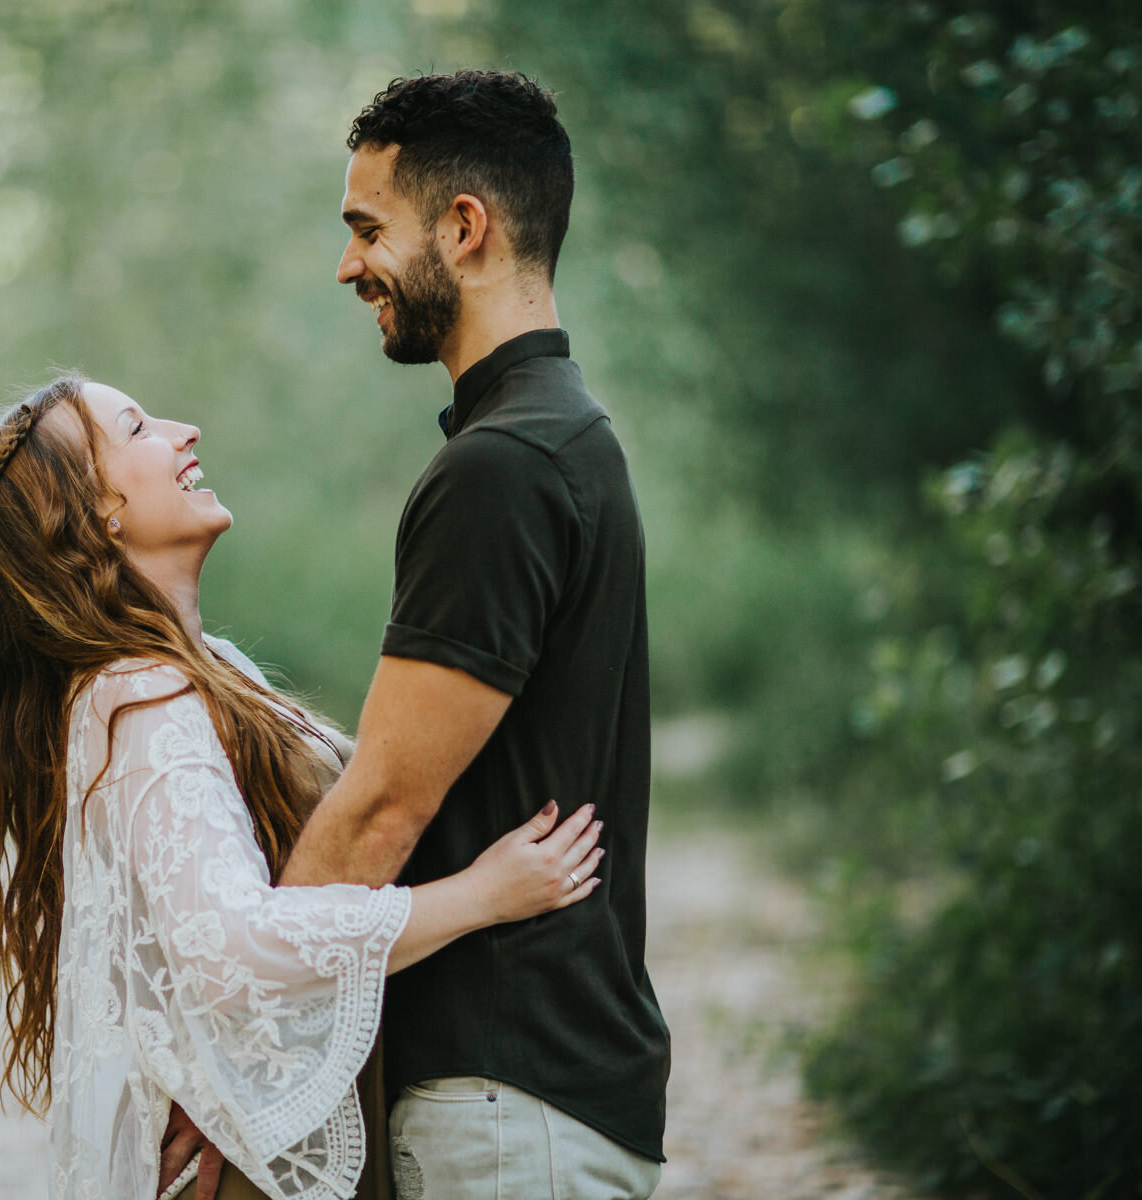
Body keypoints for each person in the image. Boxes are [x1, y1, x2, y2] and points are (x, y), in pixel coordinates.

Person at [0, 374, 607, 1200]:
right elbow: (231, 951)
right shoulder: (141, 702)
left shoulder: (210, 670)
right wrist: (482, 895)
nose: (184, 429)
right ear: (94, 509)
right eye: (139, 429)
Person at [272, 71, 673, 1200]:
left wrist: (249, 1058)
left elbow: (381, 811)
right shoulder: (566, 438)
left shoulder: (500, 469)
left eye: (366, 229)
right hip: (544, 1097)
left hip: (505, 1109)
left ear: (465, 227)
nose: (349, 266)